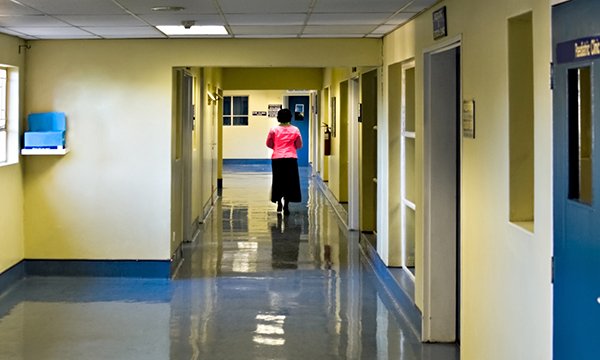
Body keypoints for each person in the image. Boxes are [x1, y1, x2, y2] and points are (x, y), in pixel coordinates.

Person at [266, 108, 302, 215]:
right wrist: (291, 148)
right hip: (291, 158)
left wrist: (277, 148)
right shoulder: (295, 130)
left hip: (277, 158)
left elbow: (268, 143)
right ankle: (286, 205)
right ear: (290, 117)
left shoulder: (273, 130)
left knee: (278, 181)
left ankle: (278, 204)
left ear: (278, 118)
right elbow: (299, 145)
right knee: (290, 182)